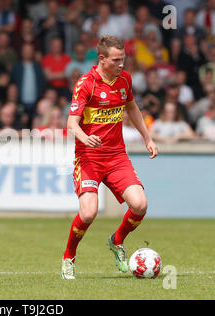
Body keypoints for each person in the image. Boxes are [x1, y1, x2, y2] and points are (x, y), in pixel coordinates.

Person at [61, 35, 158, 280]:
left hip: (116, 156)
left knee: (140, 205)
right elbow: (72, 122)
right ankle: (68, 258)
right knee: (88, 213)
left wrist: (147, 137)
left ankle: (116, 241)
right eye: (116, 60)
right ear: (101, 59)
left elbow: (132, 107)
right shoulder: (86, 83)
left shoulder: (124, 79)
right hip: (89, 157)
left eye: (123, 59)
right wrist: (84, 137)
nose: (121, 64)